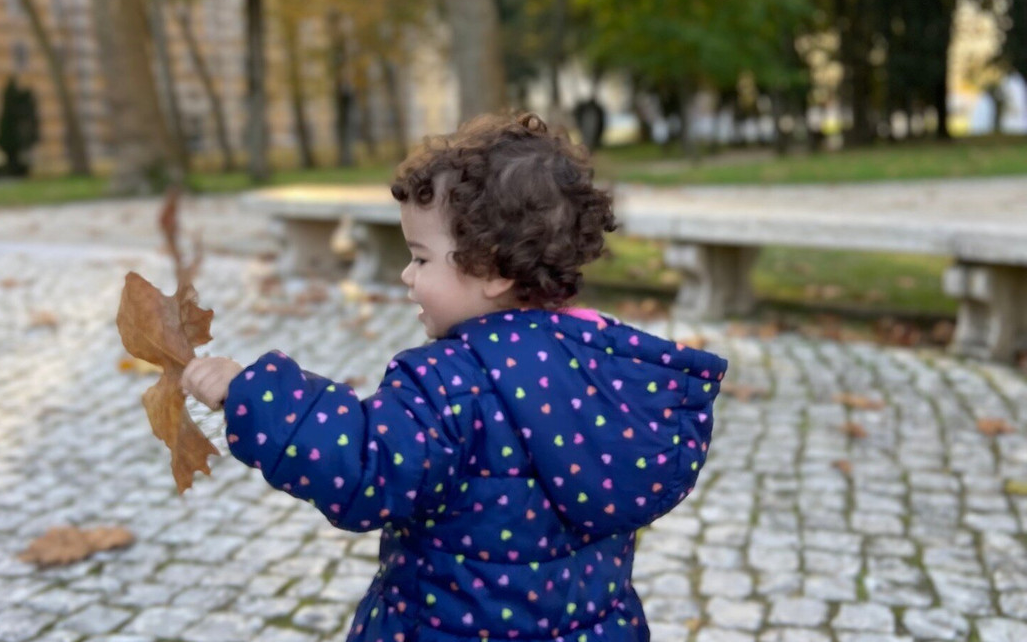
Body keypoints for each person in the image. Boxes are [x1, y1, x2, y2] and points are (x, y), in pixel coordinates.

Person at [183, 112, 727, 641]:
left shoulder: (449, 385)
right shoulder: (612, 368)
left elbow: (363, 463)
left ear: (490, 271)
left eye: (421, 259)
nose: (406, 275)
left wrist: (249, 392)